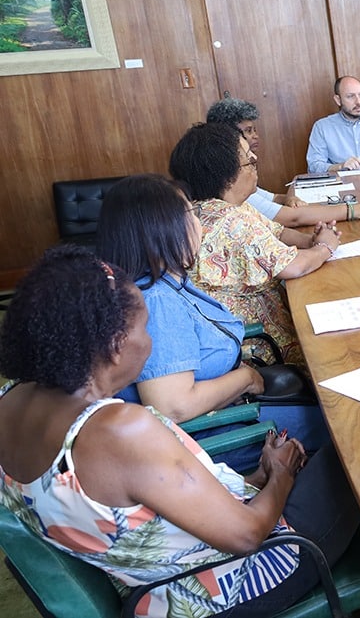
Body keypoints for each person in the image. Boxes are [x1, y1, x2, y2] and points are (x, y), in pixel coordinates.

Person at [0, 245, 360, 618]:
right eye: (145, 328)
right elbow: (247, 535)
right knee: (359, 438)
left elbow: (141, 506)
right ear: (116, 345)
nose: (150, 341)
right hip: (228, 587)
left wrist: (259, 477)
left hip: (149, 588)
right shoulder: (120, 432)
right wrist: (281, 474)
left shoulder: (9, 402)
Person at [96, 173, 330, 468]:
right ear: (161, 230)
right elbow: (173, 406)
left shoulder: (165, 280)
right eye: (189, 214)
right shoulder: (156, 301)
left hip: (227, 408)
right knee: (338, 426)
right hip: (214, 436)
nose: (198, 223)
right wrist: (245, 379)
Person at [171, 122, 341, 365]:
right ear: (227, 174)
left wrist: (310, 239)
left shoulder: (214, 208)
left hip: (230, 335)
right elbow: (294, 267)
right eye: (248, 159)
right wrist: (325, 247)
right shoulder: (232, 220)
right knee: (339, 348)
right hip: (255, 343)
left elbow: (277, 232)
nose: (255, 159)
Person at [207, 98, 360, 226]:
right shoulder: (231, 180)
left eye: (254, 129)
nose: (255, 136)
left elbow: (272, 198)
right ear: (228, 136)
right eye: (248, 131)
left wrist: (289, 198)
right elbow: (292, 218)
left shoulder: (237, 172)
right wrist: (353, 211)